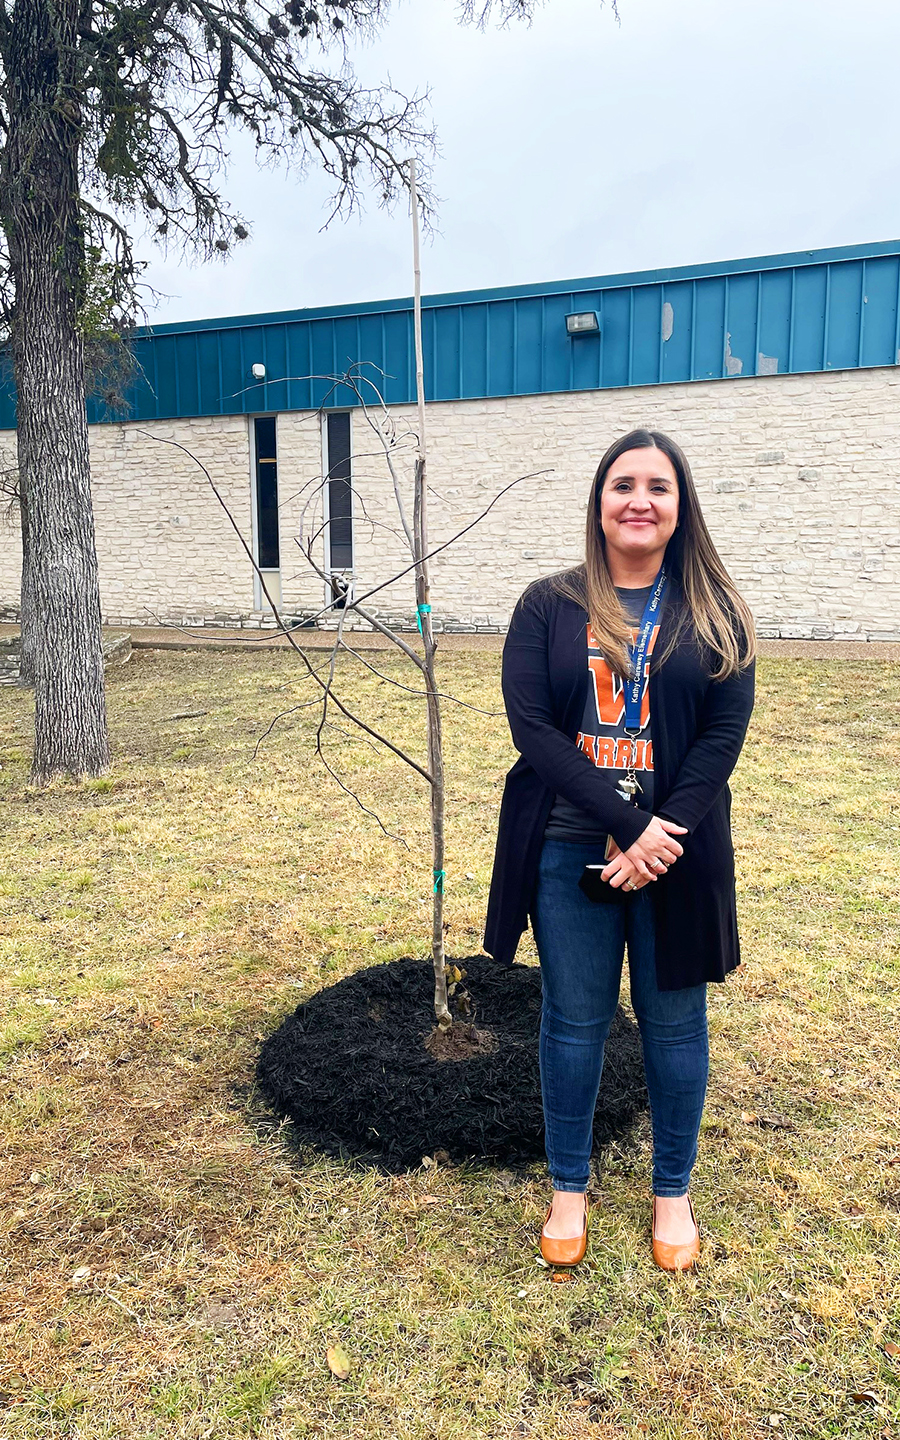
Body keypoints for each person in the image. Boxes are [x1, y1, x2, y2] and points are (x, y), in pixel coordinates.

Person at [484, 429, 755, 1271]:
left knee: (675, 1024)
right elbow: (532, 727)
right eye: (623, 484)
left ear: (681, 508)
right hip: (571, 849)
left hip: (676, 849)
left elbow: (722, 735)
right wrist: (621, 820)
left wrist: (655, 832)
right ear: (599, 503)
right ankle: (570, 1186)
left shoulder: (713, 611)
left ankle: (671, 1192)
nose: (640, 499)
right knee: (574, 1021)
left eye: (659, 487)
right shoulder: (549, 605)